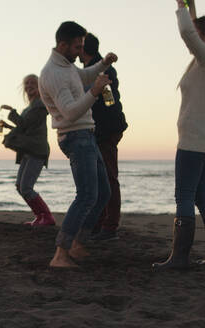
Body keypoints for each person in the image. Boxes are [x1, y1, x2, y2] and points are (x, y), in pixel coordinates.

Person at [153, 0, 205, 270]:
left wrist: (180, 6)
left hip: (195, 140)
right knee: (202, 196)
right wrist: (190, 5)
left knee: (184, 196)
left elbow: (188, 32)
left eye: (199, 34)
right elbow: (192, 33)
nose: (193, 40)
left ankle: (180, 257)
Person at [38, 21, 117, 268]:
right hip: (74, 136)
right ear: (63, 44)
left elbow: (82, 76)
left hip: (86, 134)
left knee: (103, 193)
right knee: (86, 195)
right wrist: (94, 92)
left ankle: (76, 243)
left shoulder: (67, 66)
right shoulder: (53, 73)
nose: (80, 51)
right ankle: (60, 253)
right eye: (77, 46)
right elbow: (70, 112)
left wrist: (103, 64)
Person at [80, 33, 128, 241]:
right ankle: (100, 223)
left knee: (107, 177)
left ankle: (109, 226)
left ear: (82, 48)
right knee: (99, 178)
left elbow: (109, 102)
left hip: (106, 129)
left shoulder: (103, 70)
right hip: (101, 129)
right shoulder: (91, 69)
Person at [0, 74, 55, 226]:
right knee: (20, 186)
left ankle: (47, 217)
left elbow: (25, 125)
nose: (29, 86)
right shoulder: (30, 107)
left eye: (33, 83)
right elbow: (24, 128)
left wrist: (12, 113)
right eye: (27, 83)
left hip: (37, 150)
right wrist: (9, 126)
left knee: (26, 187)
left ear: (39, 87)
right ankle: (39, 216)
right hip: (28, 151)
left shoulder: (40, 106)